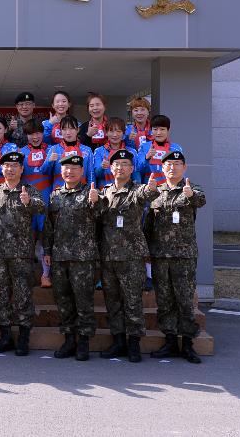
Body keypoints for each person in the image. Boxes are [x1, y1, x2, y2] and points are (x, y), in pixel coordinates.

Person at [96, 149, 160, 363]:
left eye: (125, 164)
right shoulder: (104, 192)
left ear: (132, 169)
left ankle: (134, 343)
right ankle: (118, 341)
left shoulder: (137, 190)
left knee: (133, 301)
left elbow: (148, 194)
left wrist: (152, 189)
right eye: (117, 164)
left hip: (132, 256)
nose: (120, 167)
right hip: (108, 256)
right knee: (113, 302)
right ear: (111, 168)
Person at [0, 151, 45, 356]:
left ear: (21, 169)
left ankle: (24, 338)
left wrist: (28, 202)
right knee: (0, 295)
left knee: (22, 296)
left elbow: (40, 208)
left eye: (14, 166)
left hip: (21, 254)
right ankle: (5, 336)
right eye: (6, 166)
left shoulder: (29, 190)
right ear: (2, 169)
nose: (10, 169)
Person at [147, 151, 205, 364]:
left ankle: (188, 343)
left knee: (185, 300)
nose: (172, 167)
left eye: (177, 164)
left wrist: (190, 195)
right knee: (164, 299)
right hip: (161, 255)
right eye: (168, 164)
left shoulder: (192, 188)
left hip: (184, 255)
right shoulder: (156, 193)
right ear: (162, 168)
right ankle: (170, 340)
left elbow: (201, 200)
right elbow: (148, 224)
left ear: (184, 167)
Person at [42, 154, 99, 361]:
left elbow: (100, 218)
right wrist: (47, 251)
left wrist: (95, 203)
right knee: (63, 300)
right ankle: (69, 339)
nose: (70, 171)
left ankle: (83, 341)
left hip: (83, 258)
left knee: (83, 300)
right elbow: (49, 227)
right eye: (66, 168)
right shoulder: (55, 196)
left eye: (75, 168)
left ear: (81, 172)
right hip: (59, 257)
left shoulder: (91, 194)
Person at [19, 119, 52, 288]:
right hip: (27, 197)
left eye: (38, 132)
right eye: (31, 133)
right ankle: (26, 274)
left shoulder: (51, 151)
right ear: (26, 135)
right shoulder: (21, 152)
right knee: (28, 235)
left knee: (45, 234)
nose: (35, 136)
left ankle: (46, 274)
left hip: (46, 196)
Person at [45, 116, 94, 192]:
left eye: (71, 128)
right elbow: (45, 173)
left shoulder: (87, 150)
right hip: (59, 195)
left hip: (82, 194)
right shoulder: (54, 149)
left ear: (77, 130)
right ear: (60, 131)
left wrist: (92, 191)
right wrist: (49, 162)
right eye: (64, 129)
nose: (68, 132)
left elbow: (91, 174)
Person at [92, 117, 140, 189]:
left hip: (126, 193)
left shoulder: (132, 152)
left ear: (123, 133)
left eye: (118, 131)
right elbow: (96, 174)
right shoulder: (99, 151)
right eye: (111, 131)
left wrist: (137, 191)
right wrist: (102, 167)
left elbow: (136, 174)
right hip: (105, 194)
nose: (115, 135)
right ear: (106, 133)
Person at [137, 114, 183, 186]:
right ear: (151, 130)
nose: (158, 133)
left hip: (169, 189)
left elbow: (180, 170)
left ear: (168, 130)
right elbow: (137, 170)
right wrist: (146, 158)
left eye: (162, 129)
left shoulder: (176, 148)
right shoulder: (144, 147)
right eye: (155, 129)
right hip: (148, 190)